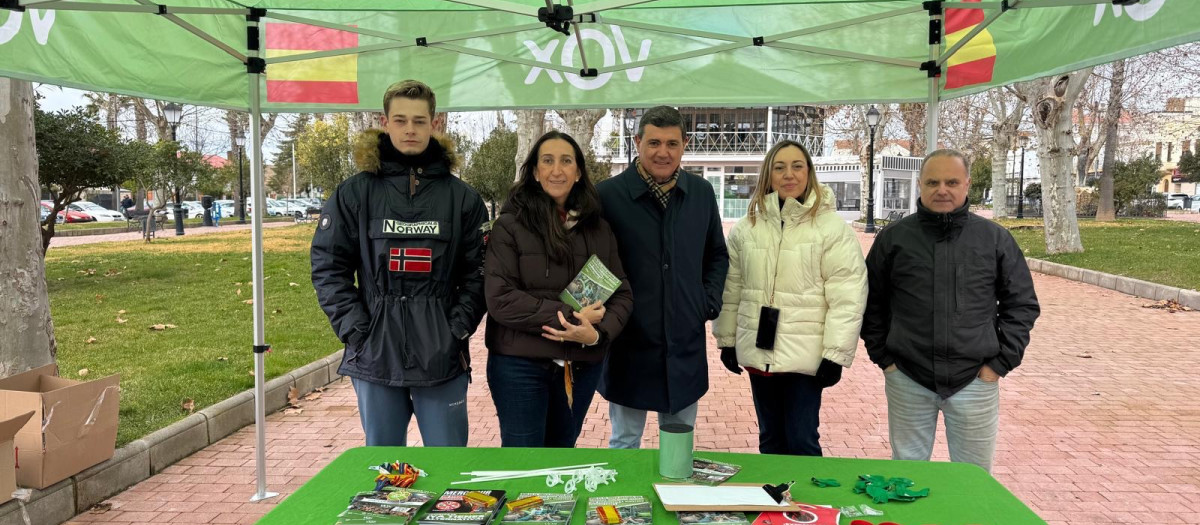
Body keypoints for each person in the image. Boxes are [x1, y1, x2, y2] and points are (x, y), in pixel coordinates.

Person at [310, 79, 488, 447]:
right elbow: (329, 267)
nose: (410, 129)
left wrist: (455, 328)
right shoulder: (354, 193)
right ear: (384, 121)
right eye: (401, 120)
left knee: (449, 470)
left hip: (441, 357)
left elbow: (480, 273)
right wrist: (356, 330)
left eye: (420, 121)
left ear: (435, 125)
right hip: (374, 354)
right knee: (386, 474)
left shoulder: (462, 199)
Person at [861, 148, 1040, 472]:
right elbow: (870, 302)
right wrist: (885, 360)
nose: (941, 189)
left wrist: (998, 365)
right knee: (907, 476)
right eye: (933, 181)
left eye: (951, 181)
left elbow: (1021, 304)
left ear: (967, 184)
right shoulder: (894, 239)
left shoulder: (994, 239)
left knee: (973, 481)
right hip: (908, 378)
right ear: (920, 184)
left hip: (975, 380)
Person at [713, 140, 867, 456]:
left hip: (805, 356)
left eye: (797, 166)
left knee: (801, 440)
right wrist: (726, 340)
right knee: (770, 440)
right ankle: (773, 504)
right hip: (761, 351)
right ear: (768, 175)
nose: (789, 175)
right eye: (779, 167)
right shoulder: (747, 229)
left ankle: (809, 505)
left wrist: (835, 353)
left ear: (808, 172)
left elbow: (847, 295)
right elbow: (732, 289)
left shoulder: (831, 230)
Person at [483, 130, 634, 447]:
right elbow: (500, 298)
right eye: (547, 161)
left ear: (578, 172)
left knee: (562, 453)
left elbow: (621, 293)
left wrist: (596, 334)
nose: (557, 170)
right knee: (524, 458)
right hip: (519, 366)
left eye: (566, 161)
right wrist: (571, 318)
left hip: (579, 367)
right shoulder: (510, 225)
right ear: (535, 172)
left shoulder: (598, 229)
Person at [595, 105, 729, 449]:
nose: (663, 152)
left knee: (679, 447)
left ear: (685, 143)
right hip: (629, 343)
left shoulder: (700, 194)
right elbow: (592, 263)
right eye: (654, 142)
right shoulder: (608, 196)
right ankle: (621, 502)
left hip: (684, 341)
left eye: (672, 143)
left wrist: (706, 302)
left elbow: (716, 254)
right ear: (638, 141)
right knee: (625, 441)